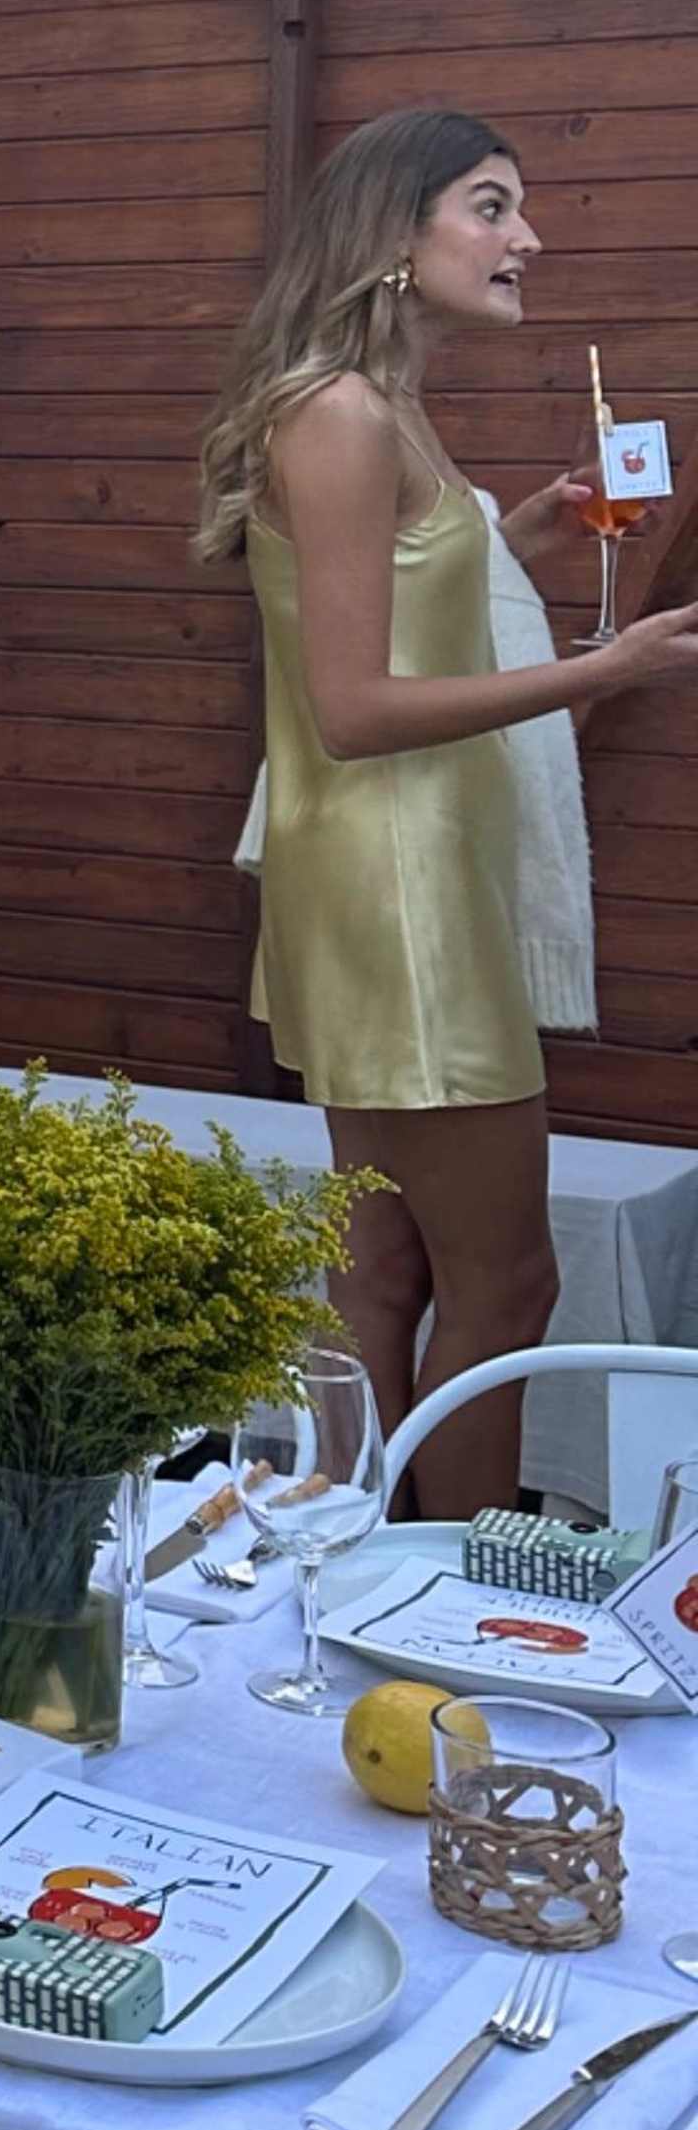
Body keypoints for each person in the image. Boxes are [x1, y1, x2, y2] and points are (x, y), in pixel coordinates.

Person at [200, 105, 698, 1516]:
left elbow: (398, 597)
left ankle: (352, 1559)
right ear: (393, 233)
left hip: (377, 877)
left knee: (381, 1266)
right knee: (508, 1276)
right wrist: (599, 667)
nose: (525, 238)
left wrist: (522, 528)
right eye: (490, 206)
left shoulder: (370, 403)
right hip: (402, 887)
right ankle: (464, 1587)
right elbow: (352, 707)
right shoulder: (345, 414)